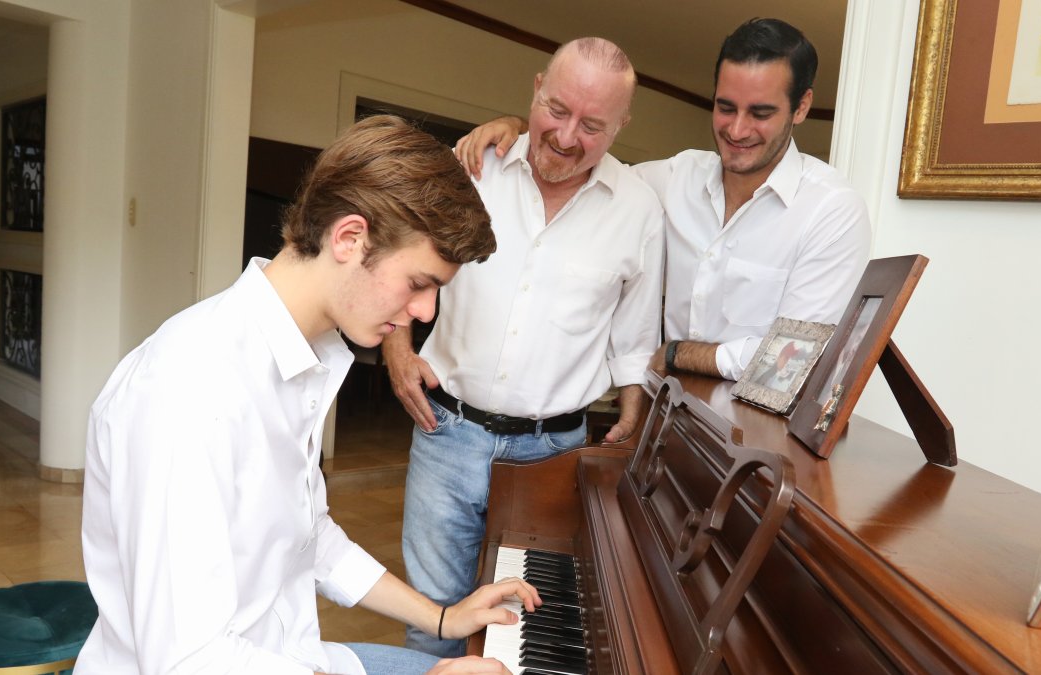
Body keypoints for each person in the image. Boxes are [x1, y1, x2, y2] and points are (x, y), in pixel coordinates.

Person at [76, 115, 540, 675]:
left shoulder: (304, 355)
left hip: (292, 657)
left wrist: (442, 618)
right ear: (348, 238)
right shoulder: (188, 389)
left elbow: (310, 538)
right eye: (420, 284)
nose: (425, 313)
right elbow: (188, 660)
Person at [381, 38, 664, 657]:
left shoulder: (640, 210)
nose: (566, 136)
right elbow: (403, 257)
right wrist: (397, 351)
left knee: (524, 623)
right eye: (556, 110)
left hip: (553, 453)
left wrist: (636, 411)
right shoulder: (472, 168)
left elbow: (636, 334)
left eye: (593, 125)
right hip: (446, 432)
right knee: (431, 615)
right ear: (536, 89)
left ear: (622, 125)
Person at [456, 18, 872, 382]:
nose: (737, 129)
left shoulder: (831, 210)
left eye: (760, 114)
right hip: (660, 434)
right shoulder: (676, 179)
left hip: (757, 447)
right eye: (725, 107)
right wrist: (515, 128)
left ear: (801, 108)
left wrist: (676, 354)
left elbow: (793, 361)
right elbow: (580, 159)